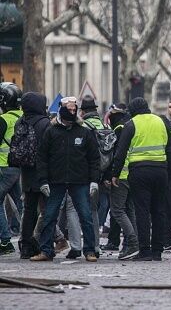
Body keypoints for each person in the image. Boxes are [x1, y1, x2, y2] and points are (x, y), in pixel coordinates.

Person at [31, 98, 99, 262]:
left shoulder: (84, 132)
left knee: (85, 216)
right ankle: (46, 250)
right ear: (61, 109)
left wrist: (94, 180)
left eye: (74, 109)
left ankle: (90, 250)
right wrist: (43, 181)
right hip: (56, 181)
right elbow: (42, 158)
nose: (72, 111)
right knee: (49, 216)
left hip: (79, 181)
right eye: (69, 109)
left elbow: (94, 158)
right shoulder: (51, 131)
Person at [111, 97, 171, 261]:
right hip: (160, 171)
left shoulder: (131, 124)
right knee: (158, 211)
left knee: (142, 212)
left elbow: (120, 152)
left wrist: (115, 174)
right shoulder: (161, 122)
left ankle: (145, 251)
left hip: (139, 172)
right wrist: (168, 172)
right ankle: (158, 251)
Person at [15, 92, 52, 259]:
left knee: (29, 210)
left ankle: (26, 246)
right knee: (47, 210)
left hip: (26, 171)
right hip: (44, 172)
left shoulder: (19, 122)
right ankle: (45, 245)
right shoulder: (45, 123)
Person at [105, 105, 140, 260]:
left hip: (122, 175)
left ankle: (132, 242)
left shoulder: (119, 128)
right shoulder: (132, 125)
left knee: (118, 210)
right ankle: (131, 243)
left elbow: (116, 155)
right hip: (133, 173)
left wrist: (112, 174)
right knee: (130, 209)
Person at [79, 95, 111, 256]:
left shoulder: (84, 126)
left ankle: (89, 246)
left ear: (83, 111)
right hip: (103, 172)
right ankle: (96, 245)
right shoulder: (104, 124)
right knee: (96, 210)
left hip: (87, 173)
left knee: (87, 211)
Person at [0, 82, 23, 255]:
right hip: (20, 168)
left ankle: (5, 240)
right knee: (23, 205)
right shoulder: (24, 116)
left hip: (3, 167)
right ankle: (30, 237)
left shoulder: (4, 119)